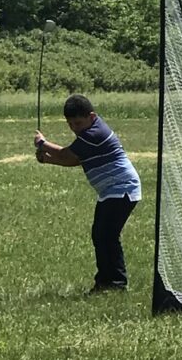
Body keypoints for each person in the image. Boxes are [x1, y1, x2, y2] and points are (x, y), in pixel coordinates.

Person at [34, 94, 142, 293]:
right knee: (101, 235)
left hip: (122, 189)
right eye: (70, 124)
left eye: (77, 123)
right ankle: (106, 282)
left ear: (91, 117)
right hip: (112, 191)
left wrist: (42, 144)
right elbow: (75, 160)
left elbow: (65, 154)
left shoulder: (95, 133)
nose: (74, 128)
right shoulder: (88, 132)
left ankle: (116, 283)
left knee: (107, 235)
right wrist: (48, 160)